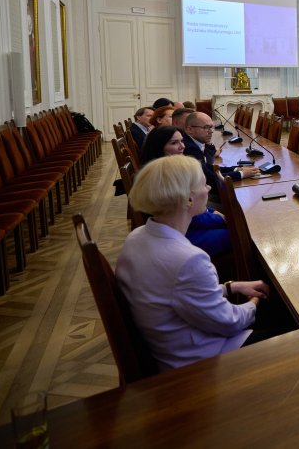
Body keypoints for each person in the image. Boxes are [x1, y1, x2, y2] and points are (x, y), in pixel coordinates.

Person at [115, 156, 270, 370]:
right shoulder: (189, 259)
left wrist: (230, 287)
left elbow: (175, 292)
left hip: (167, 347)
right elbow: (229, 323)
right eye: (202, 184)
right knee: (288, 323)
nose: (207, 187)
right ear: (188, 199)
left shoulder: (137, 237)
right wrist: (254, 303)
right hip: (200, 363)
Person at [141, 126, 232, 259]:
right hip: (181, 234)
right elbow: (188, 216)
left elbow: (194, 205)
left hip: (183, 227)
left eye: (182, 141)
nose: (182, 146)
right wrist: (221, 218)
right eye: (174, 143)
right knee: (237, 234)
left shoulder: (169, 167)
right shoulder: (163, 175)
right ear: (159, 146)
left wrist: (213, 213)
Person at [183, 112, 258, 200]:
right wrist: (240, 174)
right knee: (239, 199)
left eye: (211, 127)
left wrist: (236, 169)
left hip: (198, 193)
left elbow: (207, 167)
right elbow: (211, 179)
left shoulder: (192, 143)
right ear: (189, 129)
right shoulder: (189, 148)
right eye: (206, 127)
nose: (211, 131)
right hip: (196, 199)